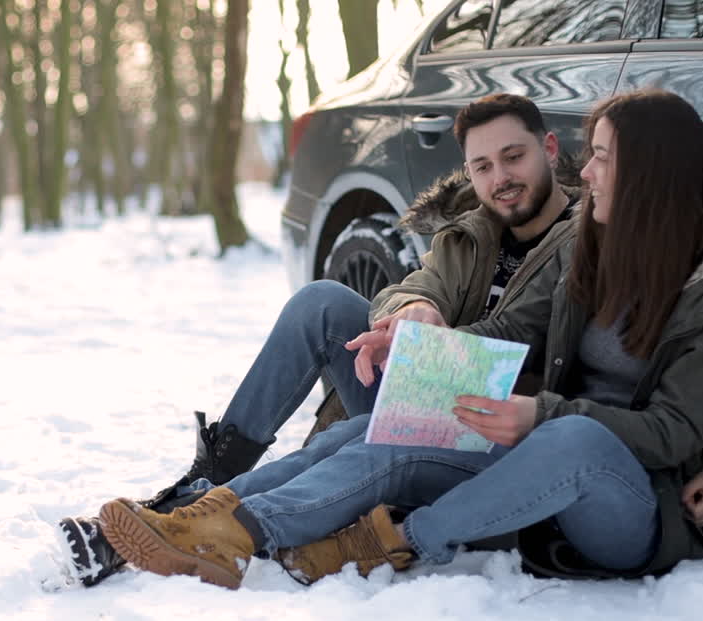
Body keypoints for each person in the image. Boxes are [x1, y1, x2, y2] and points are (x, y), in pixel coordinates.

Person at [96, 88, 703, 589]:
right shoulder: (581, 242)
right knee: (378, 438)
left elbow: (681, 420)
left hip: (631, 495)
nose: (587, 169)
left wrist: (550, 416)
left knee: (567, 441)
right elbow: (507, 326)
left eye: (600, 156)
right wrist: (415, 346)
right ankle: (209, 524)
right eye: (481, 166)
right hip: (524, 435)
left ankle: (392, 541)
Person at [55, 93, 588, 586]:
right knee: (322, 303)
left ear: (548, 147)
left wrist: (442, 342)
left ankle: (199, 525)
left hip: (503, 426)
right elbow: (417, 284)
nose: (501, 178)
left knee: (358, 436)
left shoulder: (584, 241)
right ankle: (206, 486)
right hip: (433, 393)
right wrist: (412, 310)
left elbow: (524, 335)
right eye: (483, 167)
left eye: (513, 157)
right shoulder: (473, 230)